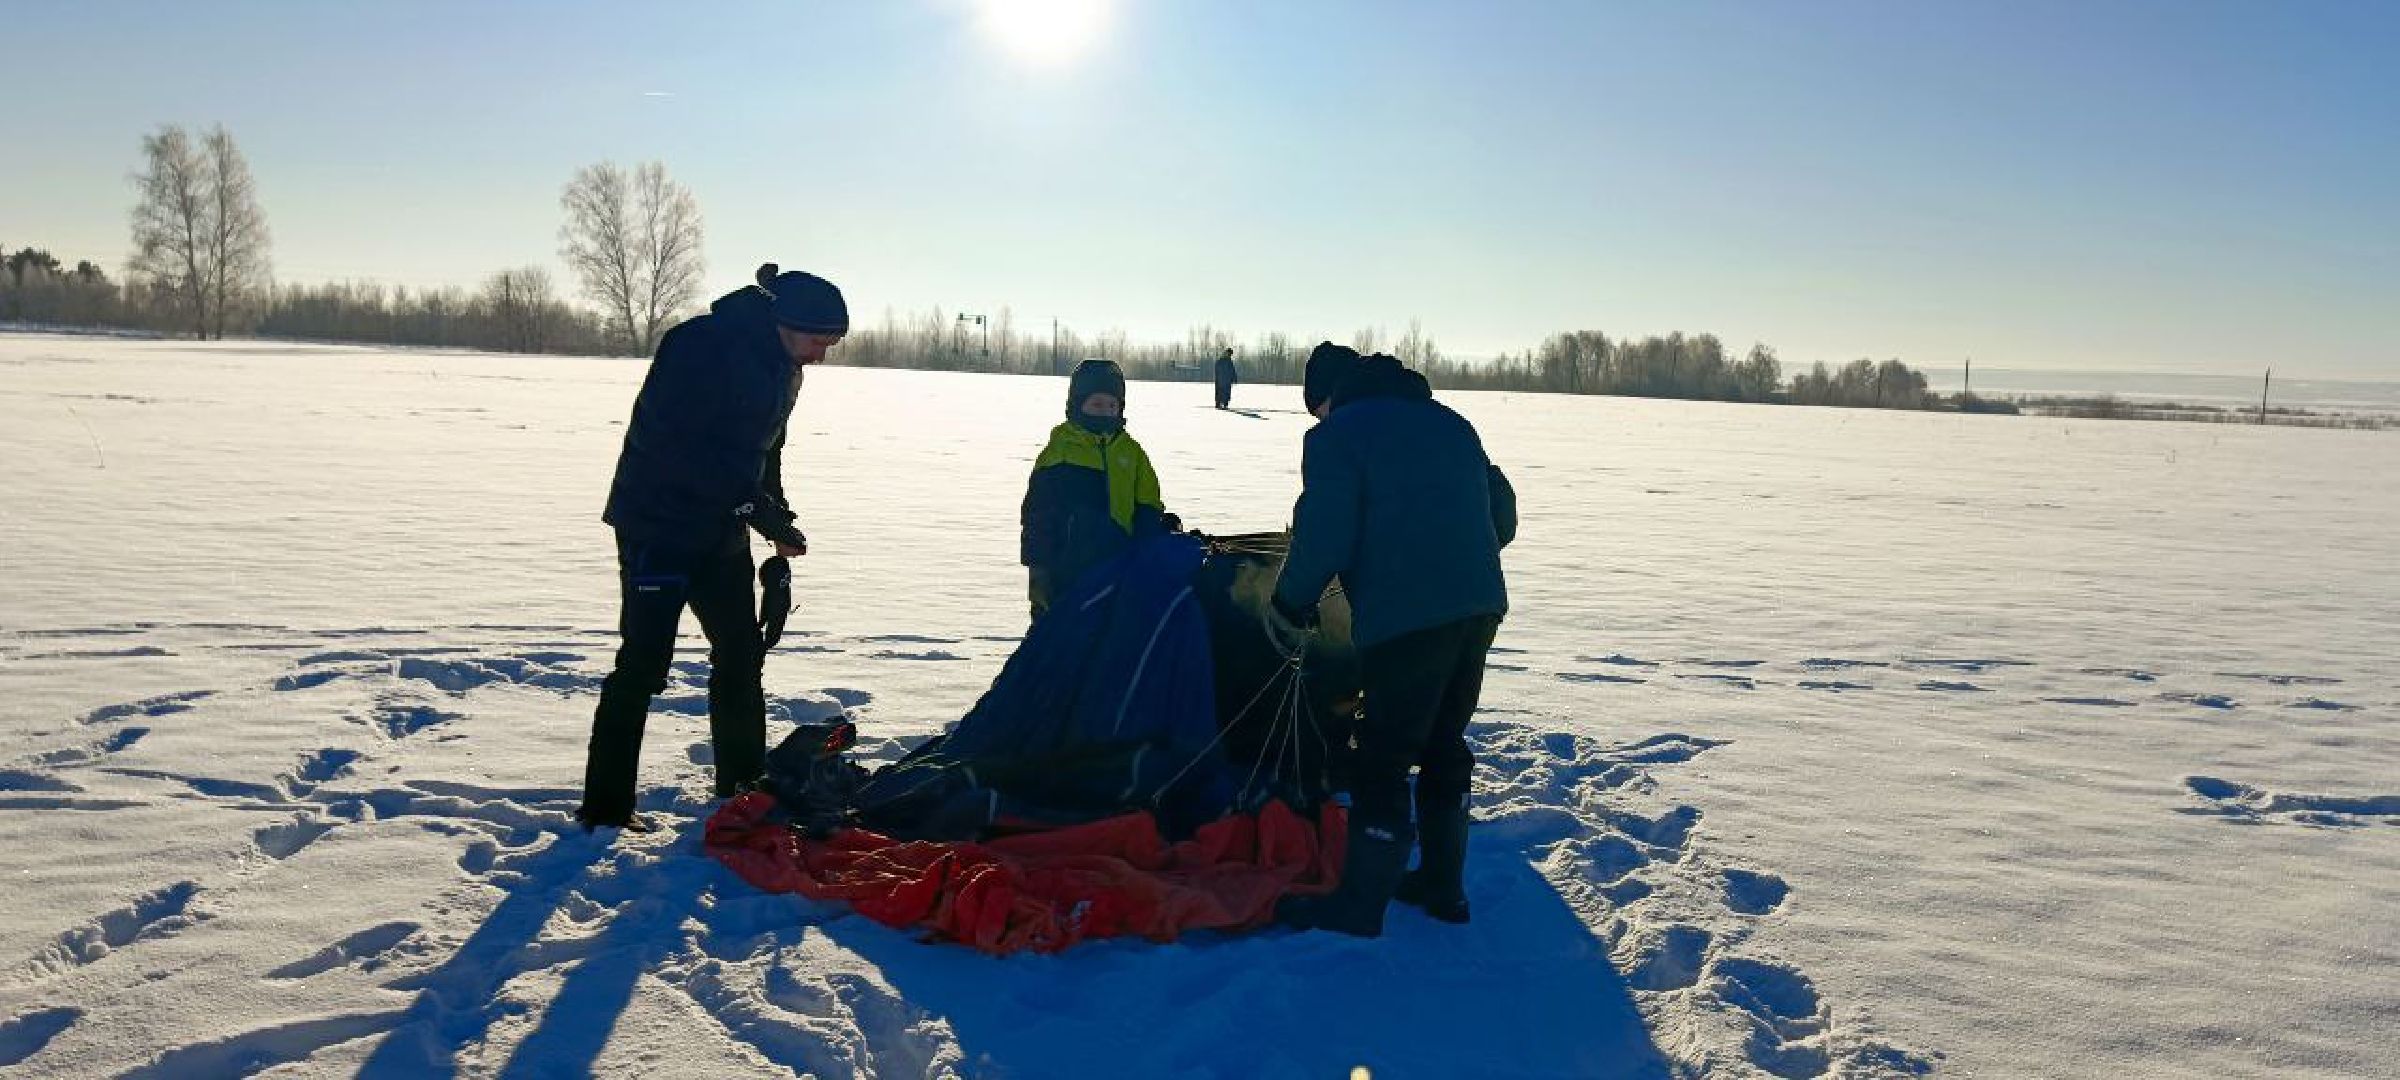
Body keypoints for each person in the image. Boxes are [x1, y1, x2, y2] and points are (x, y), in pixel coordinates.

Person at [577, 263, 846, 833]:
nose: (821, 356)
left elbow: (763, 452)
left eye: (831, 345)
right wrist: (748, 506)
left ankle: (742, 785)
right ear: (785, 322)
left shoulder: (784, 366)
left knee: (741, 654)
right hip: (659, 524)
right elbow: (678, 446)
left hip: (721, 529)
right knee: (643, 665)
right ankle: (604, 809)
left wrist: (776, 516)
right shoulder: (699, 346)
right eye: (818, 342)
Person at [1271, 342, 1517, 936]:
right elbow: (1502, 515)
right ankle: (1441, 885)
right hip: (1479, 604)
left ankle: (1358, 907)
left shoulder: (1338, 435)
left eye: (1317, 410)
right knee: (1441, 740)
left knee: (1380, 752)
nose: (1319, 421)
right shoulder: (1451, 423)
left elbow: (1325, 530)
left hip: (1408, 616)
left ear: (1327, 398)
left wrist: (1289, 602)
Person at [1021, 358, 1175, 621]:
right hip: (1067, 570)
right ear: (1077, 405)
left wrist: (1152, 535)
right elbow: (1038, 516)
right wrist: (1039, 570)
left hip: (1119, 565)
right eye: (1096, 404)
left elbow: (1148, 502)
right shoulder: (1059, 453)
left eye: (1111, 405)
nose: (1105, 412)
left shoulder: (1132, 453)